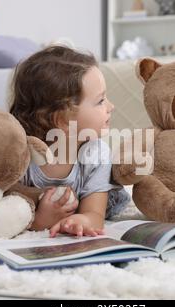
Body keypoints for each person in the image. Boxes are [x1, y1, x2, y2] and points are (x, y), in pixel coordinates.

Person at [10, 45, 130, 238]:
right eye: (100, 101)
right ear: (64, 120)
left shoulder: (96, 153)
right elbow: (7, 201)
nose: (111, 106)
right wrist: (40, 221)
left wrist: (82, 220)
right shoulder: (20, 155)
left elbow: (95, 214)